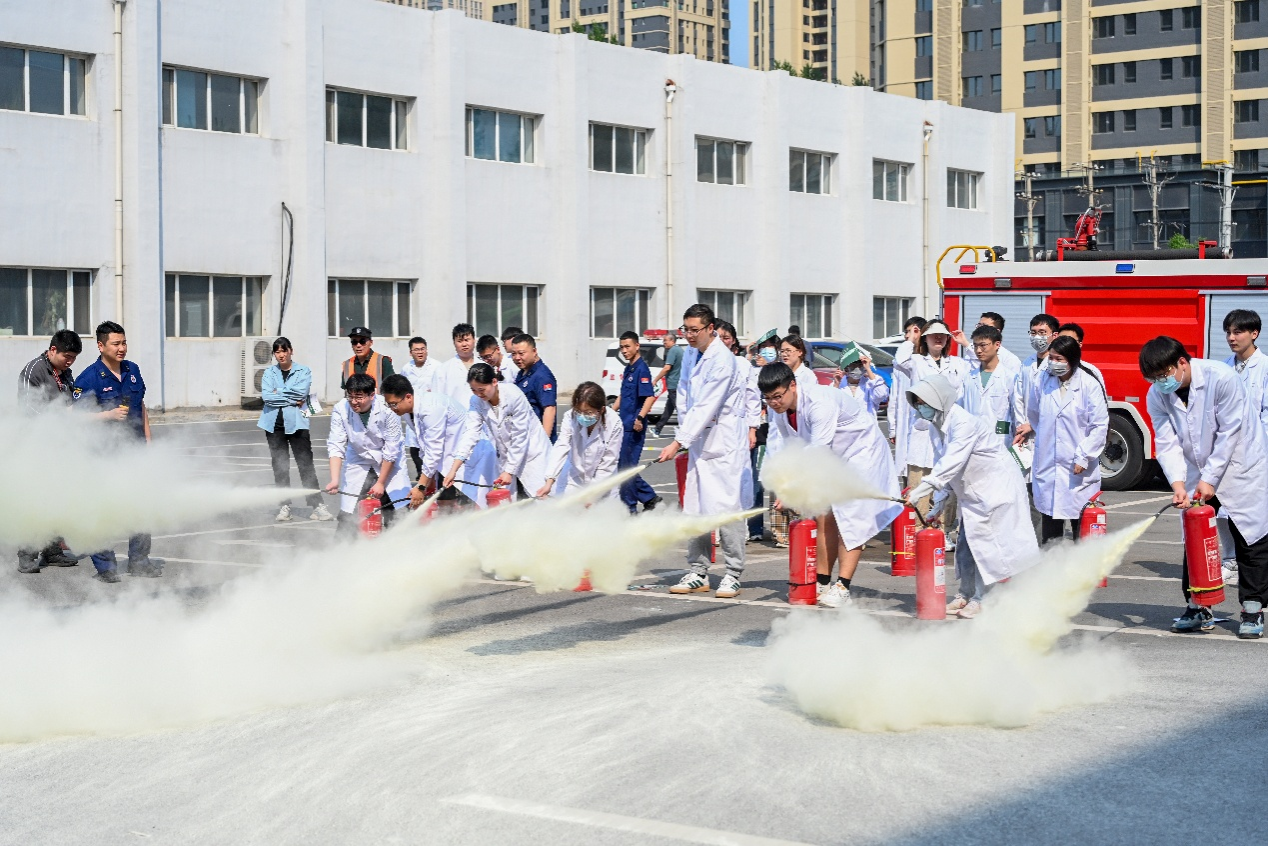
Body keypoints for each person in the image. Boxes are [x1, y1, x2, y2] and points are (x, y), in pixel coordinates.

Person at [1140, 336, 1267, 638]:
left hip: (1240, 466)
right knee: (1196, 537)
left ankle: (1252, 609)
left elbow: (1229, 432)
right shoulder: (1157, 394)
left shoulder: (1220, 377)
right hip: (1197, 469)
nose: (1160, 383)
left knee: (1249, 535)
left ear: (1182, 362)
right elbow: (1166, 442)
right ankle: (1198, 605)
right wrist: (1177, 483)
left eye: (1163, 374)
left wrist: (1210, 479)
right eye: (1153, 378)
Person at [761, 363, 902, 608]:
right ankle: (823, 581)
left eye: (777, 396)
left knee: (851, 516)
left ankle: (842, 587)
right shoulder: (781, 411)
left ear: (792, 385)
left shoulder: (819, 402)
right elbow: (792, 449)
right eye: (768, 398)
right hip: (834, 457)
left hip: (861, 453)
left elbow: (818, 449)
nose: (773, 403)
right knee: (824, 513)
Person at [905, 374, 1040, 618]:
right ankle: (965, 594)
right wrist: (937, 505)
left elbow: (951, 463)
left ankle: (983, 598)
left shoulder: (963, 423)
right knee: (966, 546)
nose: (921, 408)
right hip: (974, 493)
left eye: (924, 402)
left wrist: (918, 492)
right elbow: (943, 467)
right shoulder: (937, 427)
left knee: (986, 548)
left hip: (995, 490)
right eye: (917, 403)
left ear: (939, 400)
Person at [657, 304, 750, 599]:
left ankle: (733, 573)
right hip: (699, 440)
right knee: (695, 507)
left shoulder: (722, 360)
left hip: (723, 442)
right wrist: (687, 433)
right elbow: (684, 394)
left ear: (711, 329)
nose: (689, 335)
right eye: (685, 329)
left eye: (695, 330)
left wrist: (679, 441)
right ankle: (698, 570)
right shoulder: (690, 353)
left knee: (727, 508)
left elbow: (708, 403)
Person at [73, 321, 162, 582]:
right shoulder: (88, 378)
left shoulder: (133, 370)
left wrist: (148, 440)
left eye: (124, 343)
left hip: (134, 452)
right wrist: (107, 415)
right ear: (101, 346)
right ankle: (106, 568)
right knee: (103, 511)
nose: (122, 348)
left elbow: (140, 406)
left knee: (141, 506)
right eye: (116, 344)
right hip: (103, 456)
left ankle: (139, 561)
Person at [1019, 334, 1109, 544]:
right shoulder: (1042, 380)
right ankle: (1053, 563)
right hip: (1048, 463)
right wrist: (1047, 439)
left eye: (1059, 359)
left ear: (1072, 359)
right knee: (1050, 526)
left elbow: (1099, 425)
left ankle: (1081, 565)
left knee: (1082, 526)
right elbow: (1034, 414)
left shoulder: (1088, 384)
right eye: (1051, 358)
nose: (1053, 363)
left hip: (1078, 468)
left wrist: (1084, 456)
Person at [16, 330, 82, 573]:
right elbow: (27, 409)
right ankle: (27, 553)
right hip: (36, 445)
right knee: (36, 500)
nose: (70, 362)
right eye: (67, 356)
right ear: (53, 349)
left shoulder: (66, 374)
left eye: (74, 358)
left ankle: (52, 551)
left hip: (60, 447)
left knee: (57, 499)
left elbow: (72, 402)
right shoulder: (33, 370)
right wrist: (60, 416)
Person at [893, 319, 968, 518]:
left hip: (946, 428)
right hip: (923, 429)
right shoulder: (917, 361)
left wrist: (965, 344)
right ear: (925, 339)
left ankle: (942, 529)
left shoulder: (957, 363)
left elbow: (977, 367)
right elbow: (899, 360)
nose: (938, 339)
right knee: (918, 486)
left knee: (944, 486)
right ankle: (919, 528)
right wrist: (912, 338)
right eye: (933, 335)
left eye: (942, 335)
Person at [447, 363, 552, 501]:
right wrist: (454, 469)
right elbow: (470, 433)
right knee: (506, 501)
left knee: (541, 497)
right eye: (473, 390)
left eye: (481, 389)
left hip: (531, 453)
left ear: (494, 382)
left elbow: (520, 437)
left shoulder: (513, 395)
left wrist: (509, 471)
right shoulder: (476, 401)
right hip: (506, 455)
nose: (478, 394)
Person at [257, 337, 333, 523]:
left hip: (298, 424)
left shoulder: (303, 371)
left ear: (291, 351)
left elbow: (301, 393)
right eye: (277, 352)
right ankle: (284, 506)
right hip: (274, 425)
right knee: (280, 466)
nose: (281, 355)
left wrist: (278, 393)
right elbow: (267, 397)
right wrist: (291, 398)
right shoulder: (269, 373)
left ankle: (317, 505)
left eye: (284, 350)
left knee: (306, 464)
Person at [324, 373, 410, 536]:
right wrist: (335, 480)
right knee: (348, 512)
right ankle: (343, 547)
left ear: (372, 395)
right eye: (350, 396)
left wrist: (381, 482)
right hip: (358, 459)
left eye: (359, 397)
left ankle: (398, 546)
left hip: (388, 461)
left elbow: (391, 450)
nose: (353, 402)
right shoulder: (341, 409)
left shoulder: (388, 408)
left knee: (396, 509)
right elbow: (336, 445)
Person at [380, 374, 477, 509]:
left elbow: (433, 450)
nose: (391, 408)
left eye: (393, 404)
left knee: (470, 501)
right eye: (389, 404)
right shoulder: (408, 410)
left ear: (408, 397)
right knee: (444, 501)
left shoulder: (431, 408)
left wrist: (421, 486)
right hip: (447, 457)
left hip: (469, 455)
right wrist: (428, 477)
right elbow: (424, 445)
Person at [539, 381, 624, 497]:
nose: (583, 416)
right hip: (576, 477)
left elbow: (609, 460)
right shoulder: (570, 416)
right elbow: (561, 446)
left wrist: (593, 493)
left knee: (601, 507)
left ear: (602, 410)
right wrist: (549, 480)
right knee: (567, 505)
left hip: (602, 481)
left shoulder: (614, 423)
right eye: (579, 411)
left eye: (588, 412)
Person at [612, 331, 662, 512]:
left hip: (634, 426)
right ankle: (649, 498)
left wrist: (640, 417)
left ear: (637, 346)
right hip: (624, 424)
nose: (624, 351)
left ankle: (630, 508)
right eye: (622, 347)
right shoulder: (629, 368)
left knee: (626, 469)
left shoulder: (642, 369)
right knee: (624, 467)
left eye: (627, 347)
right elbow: (622, 395)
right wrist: (610, 412)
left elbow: (649, 396)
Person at [960, 324, 1018, 451]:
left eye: (983, 345)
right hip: (972, 442)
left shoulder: (1010, 378)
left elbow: (1016, 413)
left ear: (997, 345)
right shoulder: (968, 378)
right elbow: (961, 409)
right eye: (975, 346)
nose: (978, 350)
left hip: (1000, 442)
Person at [747, 329, 779, 541]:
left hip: (778, 432)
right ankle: (755, 528)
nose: (766, 352)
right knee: (756, 480)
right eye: (763, 348)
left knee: (779, 481)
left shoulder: (781, 371)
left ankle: (782, 529)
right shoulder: (752, 371)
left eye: (770, 348)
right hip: (759, 432)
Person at [889, 315, 927, 483]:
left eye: (910, 331)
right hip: (904, 422)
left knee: (924, 468)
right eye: (906, 332)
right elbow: (894, 397)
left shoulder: (925, 361)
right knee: (907, 470)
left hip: (923, 421)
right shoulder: (901, 363)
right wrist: (892, 428)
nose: (907, 336)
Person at [511, 334, 558, 441]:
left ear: (534, 351)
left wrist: (543, 441)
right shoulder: (522, 373)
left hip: (536, 440)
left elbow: (549, 409)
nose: (517, 358)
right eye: (514, 354)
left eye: (521, 353)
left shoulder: (542, 376)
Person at [835, 341, 888, 419]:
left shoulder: (869, 384)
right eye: (853, 365)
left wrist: (868, 370)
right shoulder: (839, 384)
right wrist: (836, 383)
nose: (857, 368)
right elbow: (831, 404)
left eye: (860, 365)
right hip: (845, 425)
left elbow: (881, 394)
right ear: (846, 367)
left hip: (866, 425)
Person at [340, 326, 393, 392]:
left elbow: (392, 388)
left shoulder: (382, 361)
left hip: (376, 398)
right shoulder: (347, 364)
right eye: (354, 342)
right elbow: (345, 389)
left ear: (371, 343)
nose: (358, 345)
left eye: (362, 341)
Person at [653, 331, 684, 437]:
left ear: (672, 340)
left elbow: (667, 368)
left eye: (665, 340)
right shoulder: (680, 350)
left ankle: (687, 431)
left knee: (679, 409)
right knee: (669, 409)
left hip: (673, 384)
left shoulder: (672, 351)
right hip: (677, 384)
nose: (664, 343)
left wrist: (656, 380)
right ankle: (657, 429)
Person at [439, 323, 479, 405]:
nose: (464, 344)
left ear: (474, 340)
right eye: (459, 341)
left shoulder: (484, 366)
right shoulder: (443, 370)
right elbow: (437, 400)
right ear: (454, 343)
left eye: (467, 340)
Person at [1056, 323, 1105, 388]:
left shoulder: (1091, 372)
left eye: (1070, 341)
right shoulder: (1046, 370)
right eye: (1061, 340)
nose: (1064, 344)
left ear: (1079, 345)